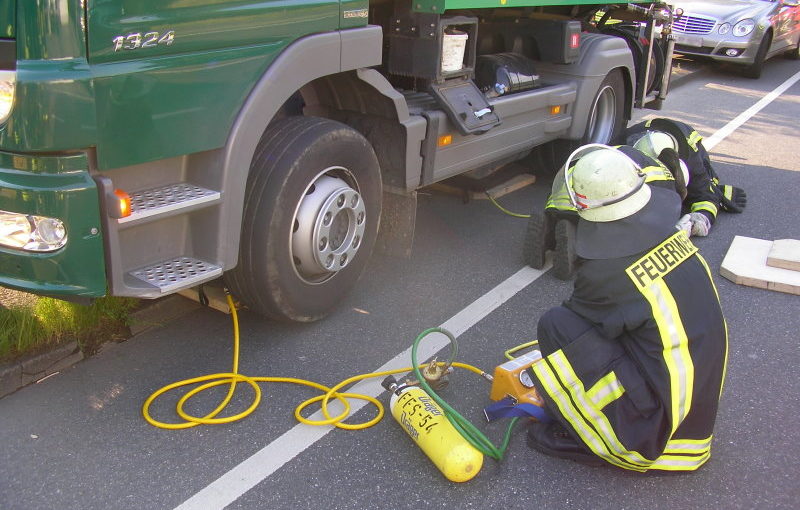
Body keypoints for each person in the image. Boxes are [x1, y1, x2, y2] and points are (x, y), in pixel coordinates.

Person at [526, 144, 728, 472]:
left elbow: (580, 328)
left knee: (557, 324)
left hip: (651, 439)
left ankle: (594, 435)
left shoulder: (605, 274)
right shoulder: (675, 239)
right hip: (696, 422)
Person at [524, 143, 680, 280]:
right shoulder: (666, 181)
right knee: (614, 223)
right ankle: (576, 242)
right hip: (593, 201)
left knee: (565, 209)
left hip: (566, 189)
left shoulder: (621, 152)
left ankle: (549, 223)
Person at [624, 118, 747, 237]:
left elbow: (705, 196)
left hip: (688, 144)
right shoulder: (623, 145)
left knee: (702, 186)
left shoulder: (691, 161)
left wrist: (701, 217)